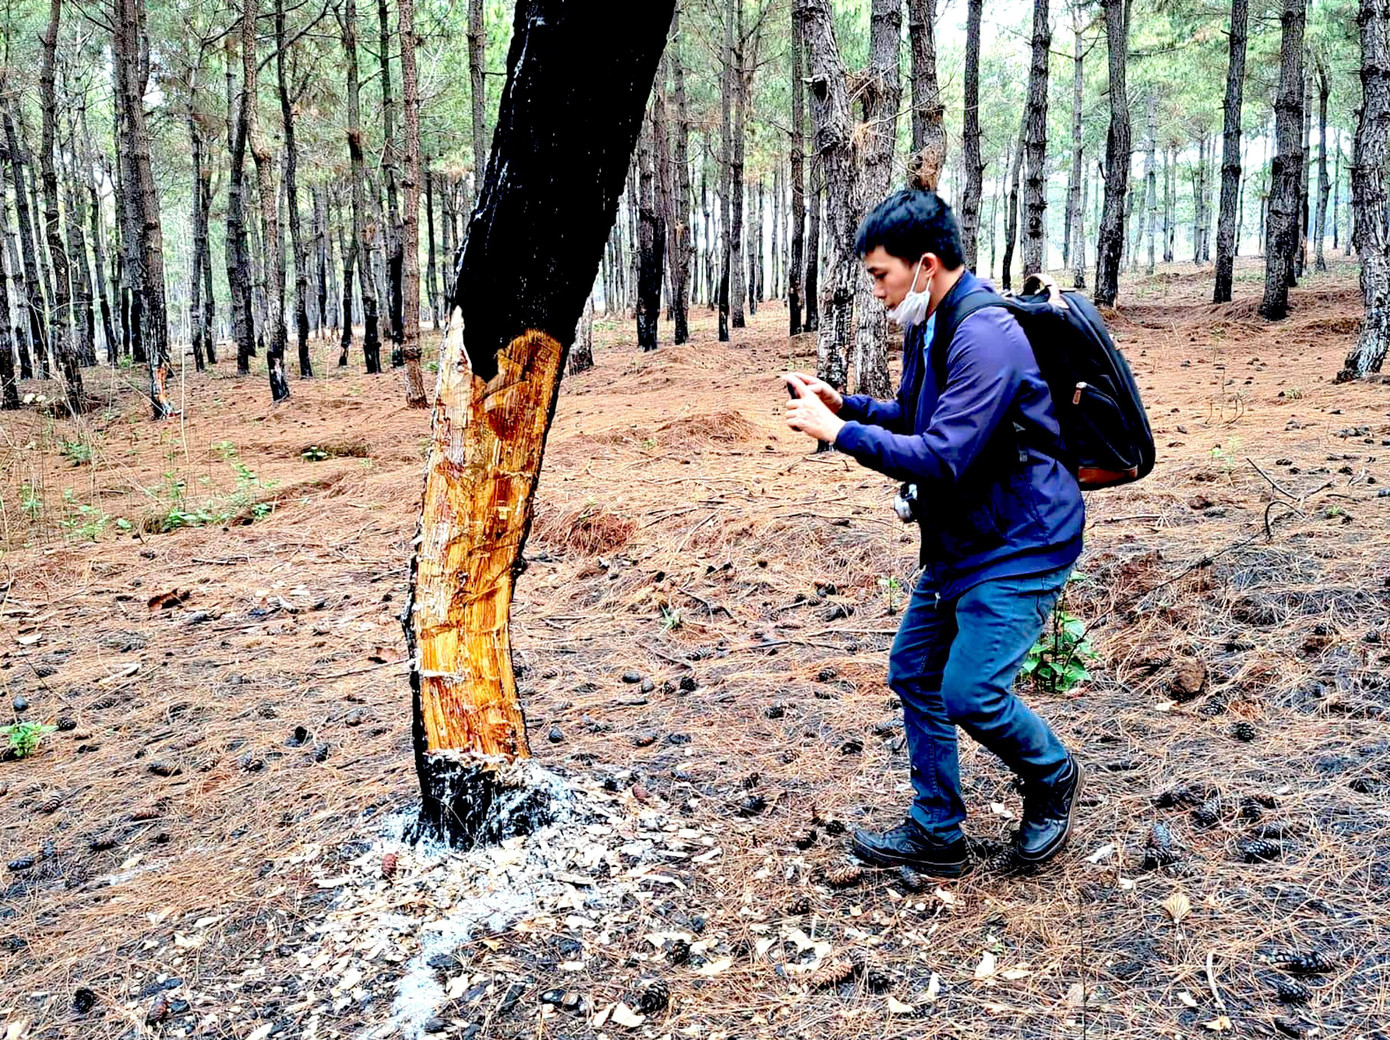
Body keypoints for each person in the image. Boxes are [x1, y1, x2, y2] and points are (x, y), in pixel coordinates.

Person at [782, 190, 1086, 878]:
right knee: (915, 672)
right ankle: (937, 830)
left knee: (972, 692)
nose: (877, 291)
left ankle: (1052, 774)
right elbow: (915, 416)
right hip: (965, 539)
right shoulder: (933, 323)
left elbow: (944, 456)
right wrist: (847, 405)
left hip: (1022, 541)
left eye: (880, 275)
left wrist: (840, 434)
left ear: (925, 264)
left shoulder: (984, 335)